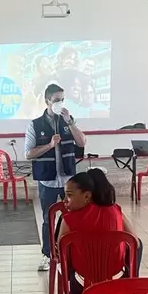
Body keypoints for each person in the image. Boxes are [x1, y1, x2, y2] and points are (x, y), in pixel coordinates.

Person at [25, 83, 86, 271]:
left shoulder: (68, 121)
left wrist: (71, 122)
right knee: (48, 218)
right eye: (57, 100)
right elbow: (29, 153)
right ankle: (47, 254)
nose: (60, 103)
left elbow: (82, 142)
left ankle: (75, 254)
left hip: (68, 180)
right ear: (47, 101)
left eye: (63, 100)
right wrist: (50, 145)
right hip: (48, 180)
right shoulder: (35, 124)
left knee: (74, 217)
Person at [57, 169, 143, 294]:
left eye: (69, 195)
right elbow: (134, 242)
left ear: (87, 196)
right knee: (138, 244)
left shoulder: (68, 220)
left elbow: (63, 256)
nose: (65, 200)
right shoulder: (115, 210)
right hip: (115, 281)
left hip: (83, 286)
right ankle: (132, 284)